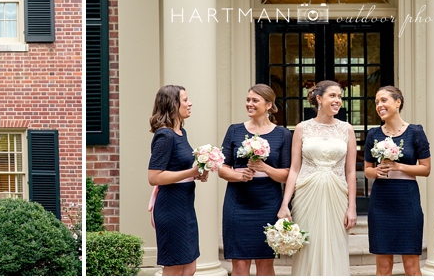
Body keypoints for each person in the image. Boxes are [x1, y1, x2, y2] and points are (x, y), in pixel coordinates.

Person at [277, 80, 356, 276]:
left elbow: (351, 171)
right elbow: (295, 169)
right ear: (319, 99)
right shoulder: (302, 128)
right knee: (308, 247)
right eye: (333, 96)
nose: (338, 100)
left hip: (337, 194)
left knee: (335, 244)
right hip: (306, 194)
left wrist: (352, 206)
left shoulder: (347, 129)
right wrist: (285, 203)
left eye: (339, 96)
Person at [217, 84, 291, 276]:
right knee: (239, 264)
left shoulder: (282, 134)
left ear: (268, 105)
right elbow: (222, 169)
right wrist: (240, 176)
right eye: (248, 100)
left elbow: (287, 174)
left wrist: (264, 168)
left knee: (265, 263)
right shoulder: (234, 130)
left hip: (268, 203)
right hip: (238, 203)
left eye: (255, 100)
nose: (249, 104)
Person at [363, 86, 431, 276]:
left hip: (407, 200)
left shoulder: (415, 132)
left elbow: (426, 169)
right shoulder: (373, 134)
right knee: (383, 266)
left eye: (383, 100)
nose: (379, 105)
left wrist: (398, 166)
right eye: (377, 102)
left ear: (398, 102)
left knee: (411, 265)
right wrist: (376, 171)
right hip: (381, 201)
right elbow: (367, 170)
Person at [146, 84, 208, 276]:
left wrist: (198, 173)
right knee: (174, 268)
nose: (190, 104)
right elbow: (154, 176)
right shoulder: (165, 135)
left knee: (190, 267)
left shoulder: (181, 132)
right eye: (185, 100)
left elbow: (180, 169)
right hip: (171, 208)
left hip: (186, 206)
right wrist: (190, 172)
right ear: (173, 105)